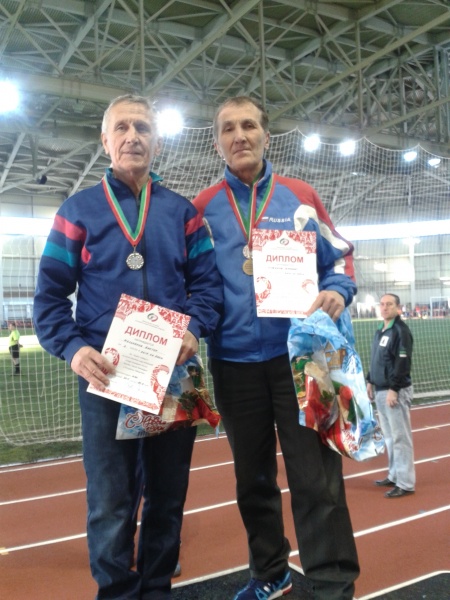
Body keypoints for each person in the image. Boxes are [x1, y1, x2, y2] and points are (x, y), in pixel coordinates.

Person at [33, 94, 223, 600]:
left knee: (167, 494)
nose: (132, 136)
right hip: (105, 375)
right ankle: (116, 592)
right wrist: (74, 350)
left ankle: (157, 587)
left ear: (156, 141)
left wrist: (193, 329)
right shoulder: (77, 211)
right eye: (122, 127)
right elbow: (49, 297)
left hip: (173, 372)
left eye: (142, 127)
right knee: (110, 500)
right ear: (105, 140)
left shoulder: (183, 213)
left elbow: (208, 287)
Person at [193, 96, 359, 600]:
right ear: (217, 142)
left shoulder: (300, 195)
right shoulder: (202, 207)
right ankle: (270, 572)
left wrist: (338, 289)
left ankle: (331, 583)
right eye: (228, 128)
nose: (239, 135)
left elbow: (340, 258)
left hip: (302, 359)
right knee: (253, 480)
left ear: (266, 134)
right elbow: (192, 280)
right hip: (233, 362)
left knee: (317, 478)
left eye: (248, 125)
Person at [366, 293, 415, 499]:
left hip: (394, 392)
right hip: (380, 390)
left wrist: (394, 389)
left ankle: (405, 483)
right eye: (382, 304)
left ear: (398, 308)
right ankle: (394, 475)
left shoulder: (400, 331)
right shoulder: (381, 330)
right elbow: (376, 359)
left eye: (389, 304)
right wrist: (370, 381)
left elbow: (402, 363)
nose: (385, 307)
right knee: (389, 437)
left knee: (400, 438)